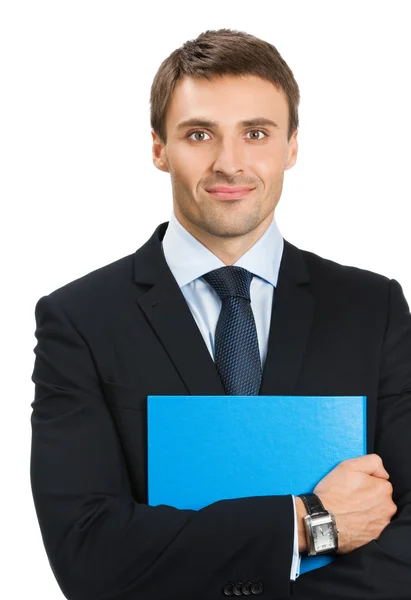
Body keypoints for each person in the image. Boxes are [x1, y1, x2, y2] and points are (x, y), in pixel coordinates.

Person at [30, 28, 411, 600]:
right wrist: (307, 522)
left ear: (292, 146)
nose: (229, 163)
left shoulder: (371, 308)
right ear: (159, 148)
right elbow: (88, 551)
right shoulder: (80, 319)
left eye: (256, 133)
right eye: (199, 134)